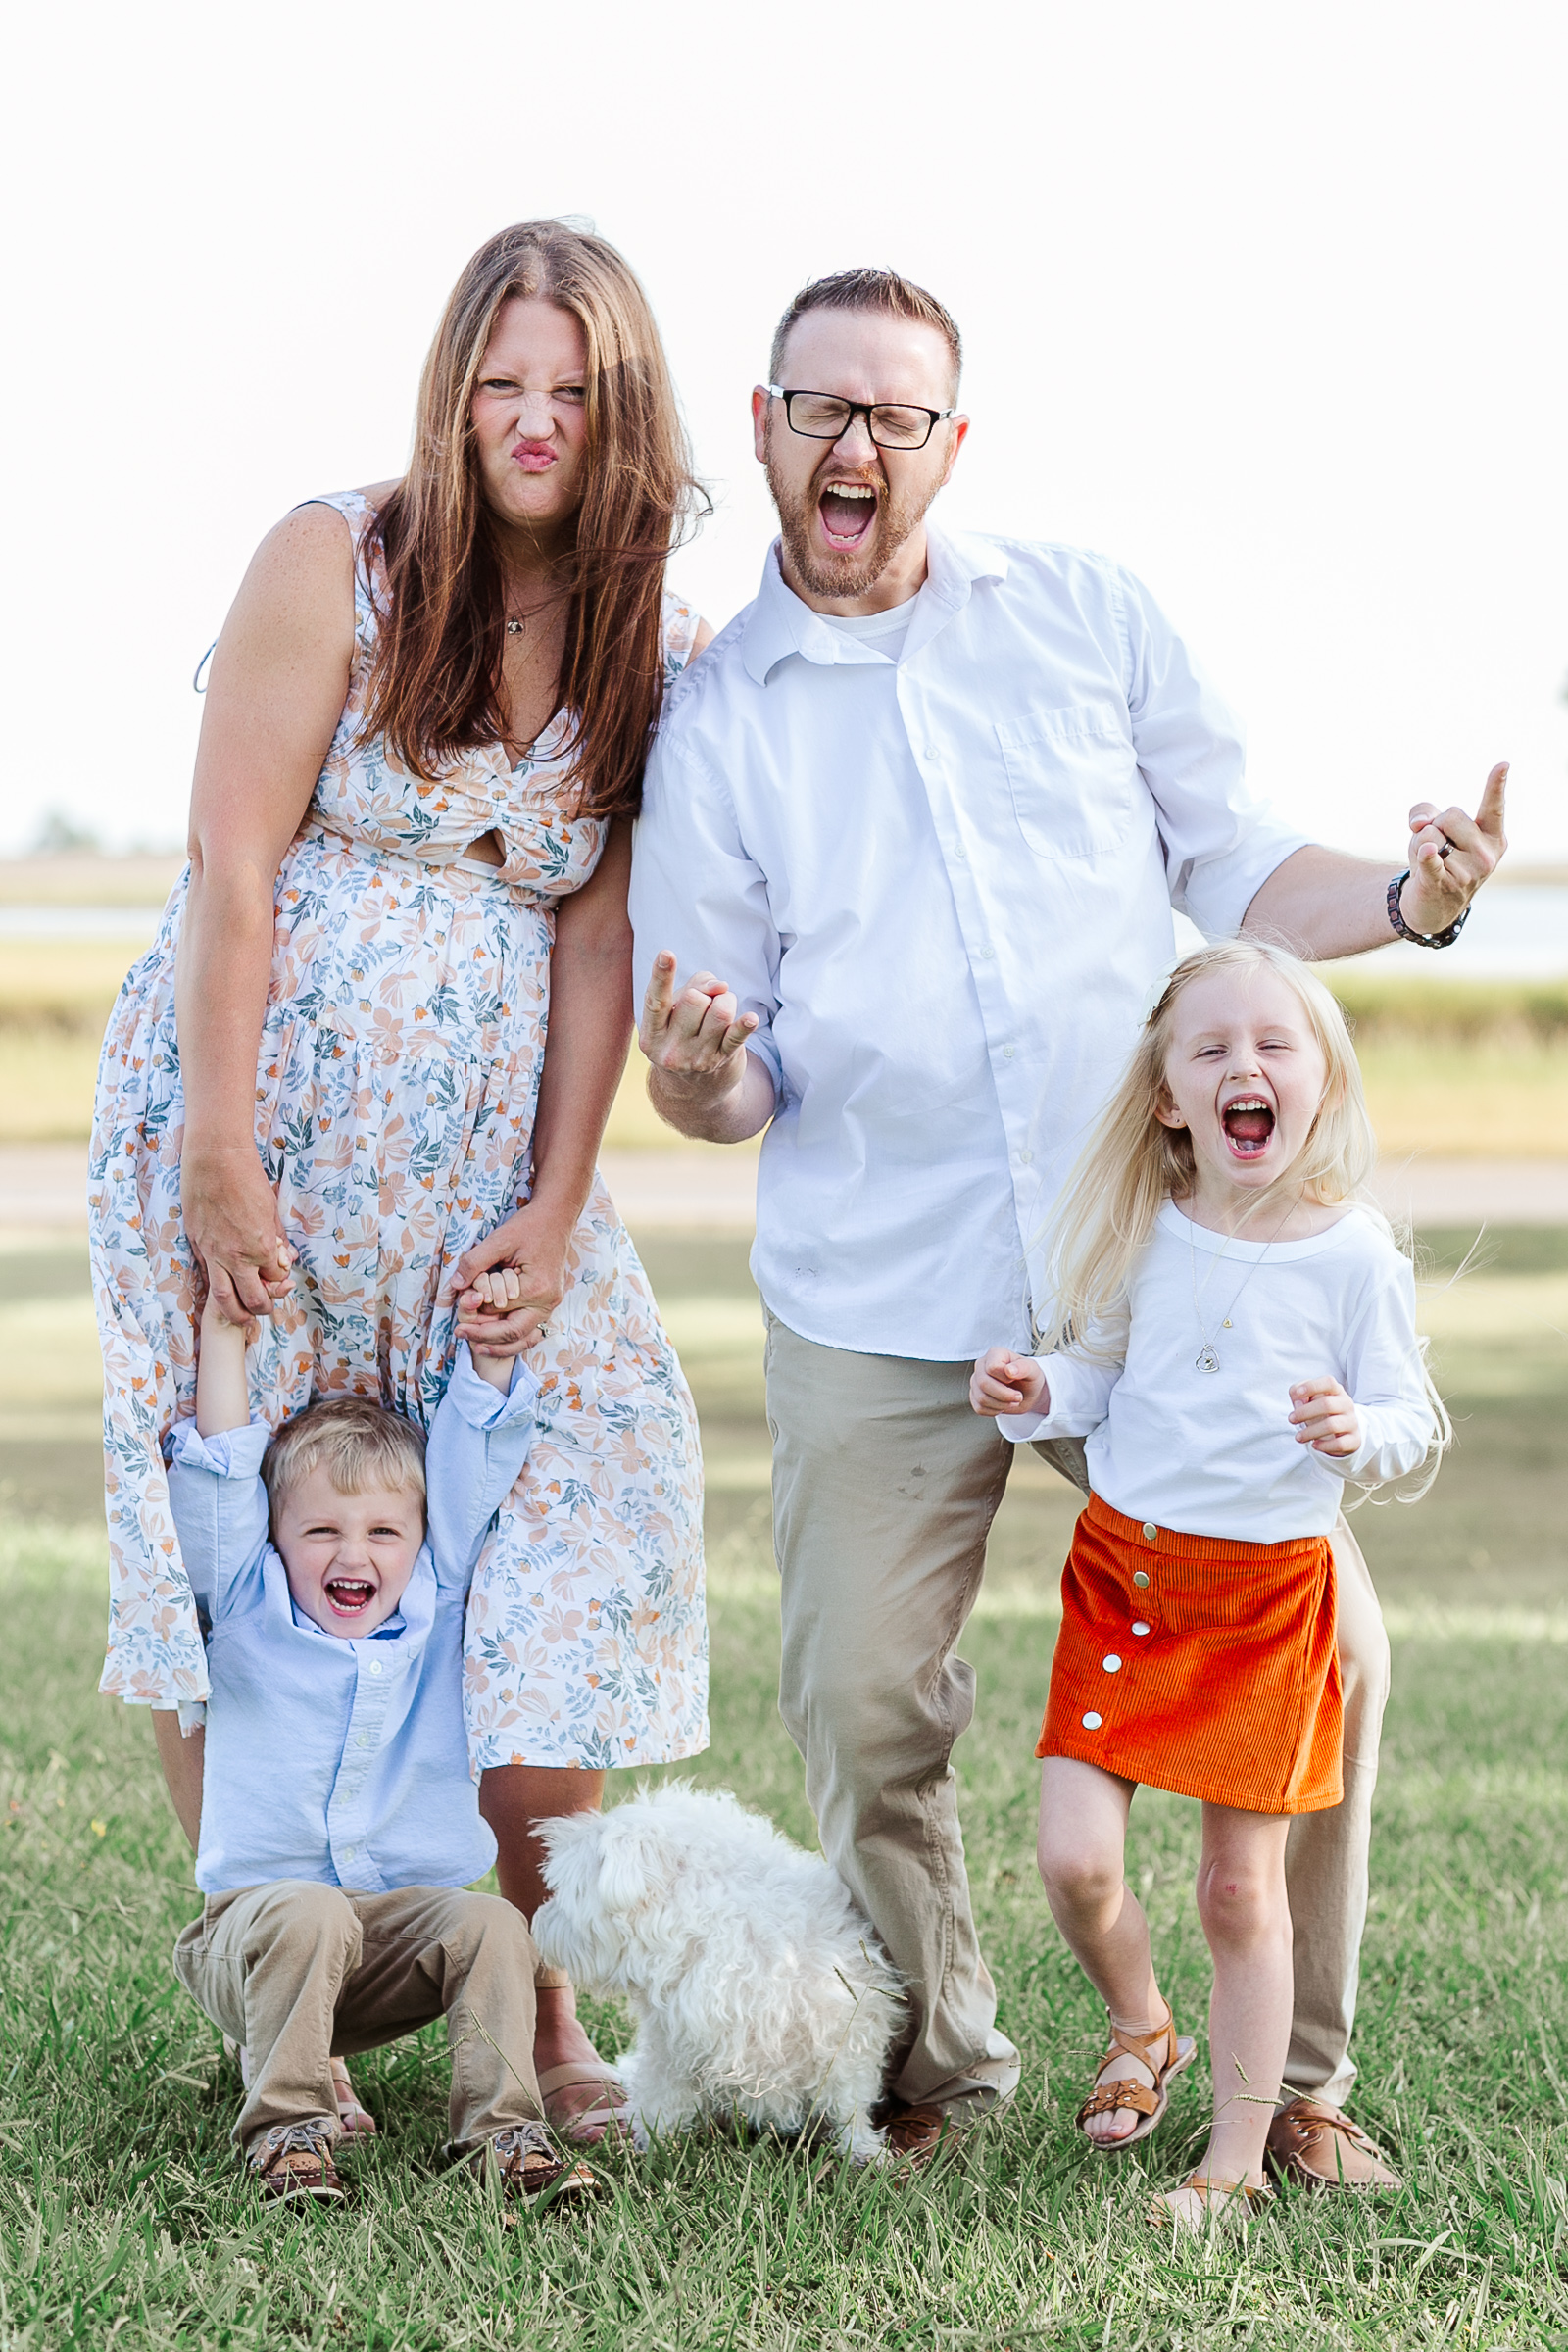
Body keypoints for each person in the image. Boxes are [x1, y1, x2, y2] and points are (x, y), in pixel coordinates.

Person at [629, 265, 1507, 2175]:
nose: (854, 442)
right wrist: (696, 1080)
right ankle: (939, 2058)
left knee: (1335, 1658)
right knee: (865, 1698)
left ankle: (1295, 2098)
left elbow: (1233, 864)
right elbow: (723, 1057)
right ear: (764, 423)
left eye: (896, 413)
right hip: (884, 1298)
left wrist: (1419, 900)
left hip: (1148, 1273)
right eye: (820, 407)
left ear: (952, 443)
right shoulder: (715, 721)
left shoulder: (1082, 618)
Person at [91, 220, 713, 2142]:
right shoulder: (335, 561)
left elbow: (598, 943)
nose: (530, 420)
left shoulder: (638, 636)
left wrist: (554, 1200)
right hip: (252, 1148)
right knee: (242, 1549)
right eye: (496, 383)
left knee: (566, 1512)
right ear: (451, 398)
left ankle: (537, 2013)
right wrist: (213, 1153)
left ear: (623, 416)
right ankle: (275, 1982)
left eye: (570, 390)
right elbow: (235, 863)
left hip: (475, 1202)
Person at [970, 941, 1442, 2225]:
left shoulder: (1355, 1258)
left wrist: (1361, 1427)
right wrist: (1039, 1393)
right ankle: (1143, 2019)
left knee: (1241, 1891)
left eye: (1276, 1045)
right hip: (1124, 1582)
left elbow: (1413, 1415)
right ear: (1170, 1096)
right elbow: (1108, 1376)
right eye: (1213, 1048)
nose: (1247, 1066)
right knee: (1073, 1861)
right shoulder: (1149, 1231)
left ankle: (1232, 2162)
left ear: (1324, 1083)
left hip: (1265, 1603)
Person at [168, 1281, 595, 2205]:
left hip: (384, 1948)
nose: (352, 1555)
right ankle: (289, 2132)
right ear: (276, 1539)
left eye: (382, 1533)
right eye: (320, 1529)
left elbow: (471, 1474)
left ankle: (505, 2134)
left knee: (490, 1922)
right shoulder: (249, 1603)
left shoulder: (434, 1605)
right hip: (251, 1944)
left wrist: (488, 1362)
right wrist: (225, 1343)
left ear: (416, 1542)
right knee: (311, 1912)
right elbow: (217, 1480)